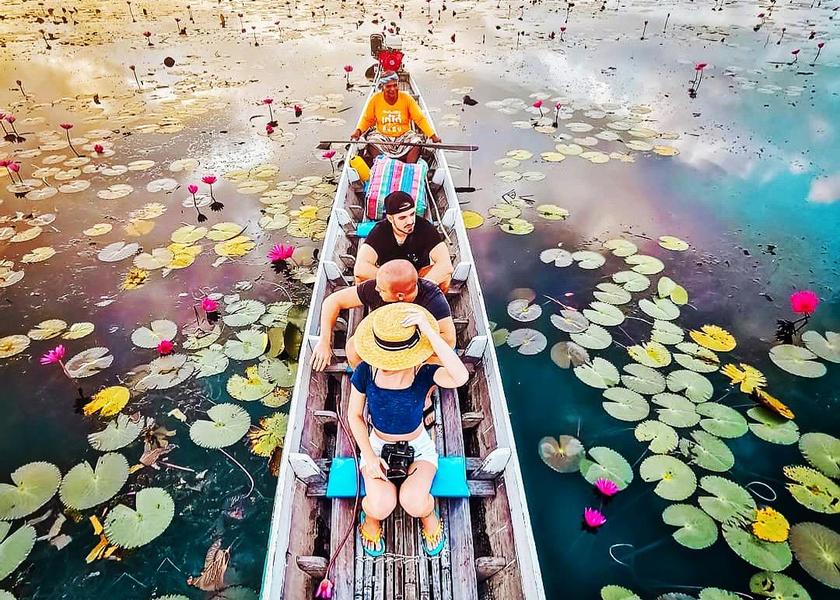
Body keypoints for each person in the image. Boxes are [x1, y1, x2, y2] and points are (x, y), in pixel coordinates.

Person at [347, 303, 469, 557]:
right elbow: (355, 415)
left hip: (419, 447)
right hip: (378, 446)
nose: (388, 364)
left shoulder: (424, 372)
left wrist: (430, 333)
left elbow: (460, 377)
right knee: (380, 505)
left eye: (393, 357)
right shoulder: (365, 371)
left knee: (413, 502)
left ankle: (428, 513)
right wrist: (369, 457)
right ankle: (370, 518)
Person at [310, 259, 455, 373]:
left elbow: (449, 340)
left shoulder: (433, 299)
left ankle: (422, 392)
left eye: (382, 290)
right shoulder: (379, 285)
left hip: (416, 347)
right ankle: (368, 384)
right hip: (383, 342)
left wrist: (410, 358)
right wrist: (324, 341)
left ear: (399, 296)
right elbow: (333, 301)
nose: (376, 289)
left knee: (440, 362)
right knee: (353, 348)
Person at [354, 191, 453, 290]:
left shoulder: (425, 228)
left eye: (412, 214)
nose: (410, 221)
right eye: (402, 218)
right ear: (390, 219)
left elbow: (446, 265)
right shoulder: (380, 231)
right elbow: (360, 268)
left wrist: (420, 287)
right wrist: (395, 283)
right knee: (360, 279)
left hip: (417, 278)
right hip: (389, 279)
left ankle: (429, 303)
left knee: (445, 277)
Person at [350, 70, 441, 164]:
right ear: (382, 87)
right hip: (383, 137)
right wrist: (358, 131)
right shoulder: (375, 99)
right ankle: (383, 166)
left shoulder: (406, 98)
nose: (392, 89)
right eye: (388, 86)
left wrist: (432, 136)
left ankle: (408, 168)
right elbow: (367, 119)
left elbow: (420, 119)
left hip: (404, 136)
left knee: (416, 142)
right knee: (371, 142)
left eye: (395, 85)